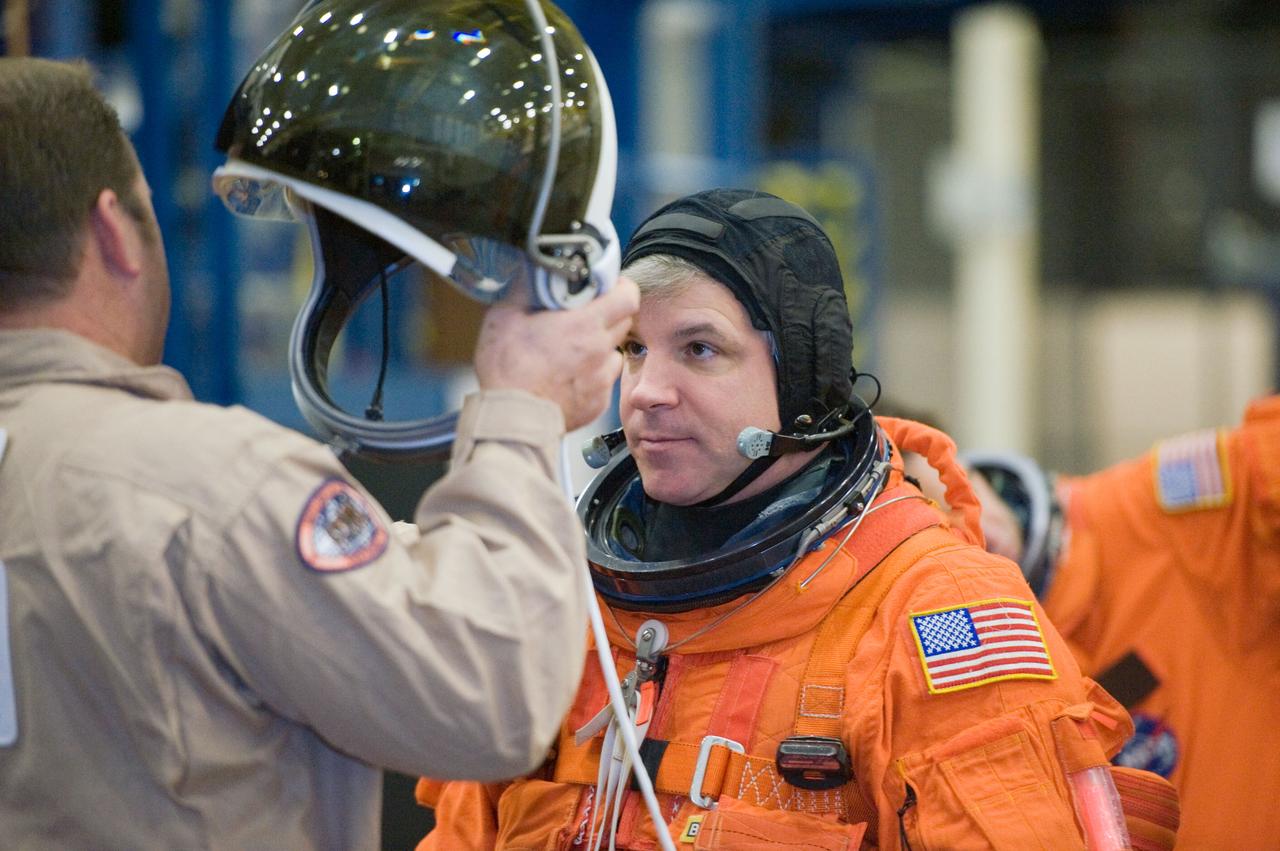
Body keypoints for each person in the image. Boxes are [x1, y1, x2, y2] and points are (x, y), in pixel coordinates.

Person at [0, 46, 637, 851]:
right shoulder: (211, 488)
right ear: (111, 230)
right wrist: (523, 410)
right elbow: (486, 697)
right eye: (147, 208)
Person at [416, 189, 1177, 849]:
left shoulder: (935, 609)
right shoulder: (567, 603)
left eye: (700, 349)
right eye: (635, 349)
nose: (647, 390)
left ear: (804, 378)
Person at [960, 399, 1280, 849]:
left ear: (952, 458)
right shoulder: (953, 672)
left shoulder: (1165, 516)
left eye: (931, 485)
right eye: (922, 516)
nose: (955, 522)